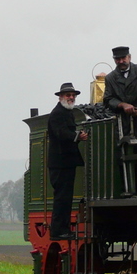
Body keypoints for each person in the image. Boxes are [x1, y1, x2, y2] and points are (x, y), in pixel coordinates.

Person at [46, 82, 88, 240]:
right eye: (68, 95)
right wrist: (77, 136)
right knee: (62, 199)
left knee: (66, 198)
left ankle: (63, 229)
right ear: (61, 97)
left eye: (73, 95)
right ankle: (58, 231)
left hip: (66, 163)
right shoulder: (58, 113)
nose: (71, 98)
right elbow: (61, 133)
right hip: (60, 163)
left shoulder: (67, 112)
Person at [103, 46, 137, 139]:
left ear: (129, 57)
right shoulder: (110, 78)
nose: (121, 61)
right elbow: (108, 99)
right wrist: (122, 105)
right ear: (114, 60)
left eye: (123, 58)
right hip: (123, 124)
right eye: (118, 59)